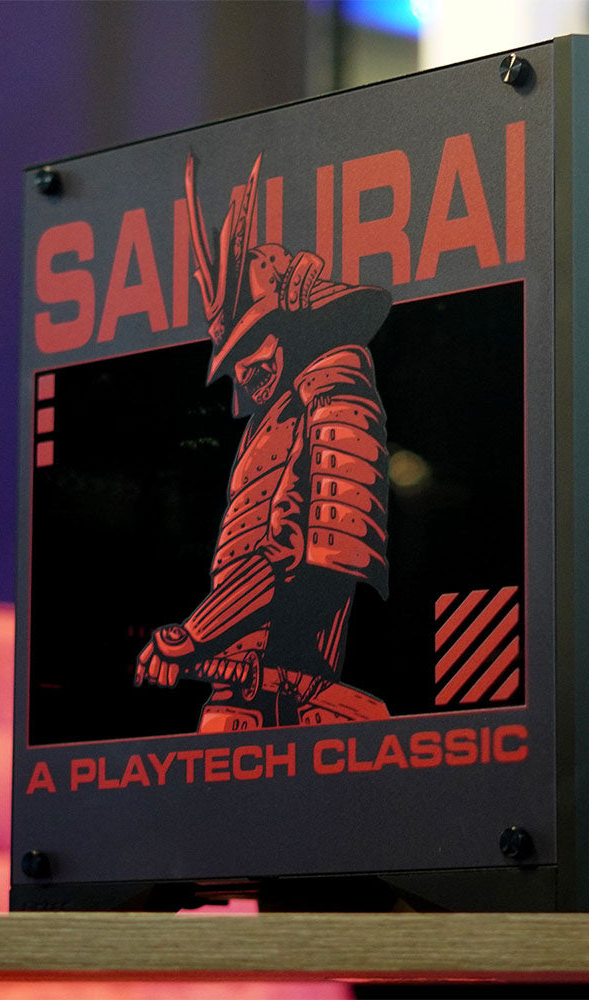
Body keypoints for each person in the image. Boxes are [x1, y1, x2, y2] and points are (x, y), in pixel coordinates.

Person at [134, 153, 391, 731]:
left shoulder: (338, 399)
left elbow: (297, 556)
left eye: (252, 346)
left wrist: (191, 635)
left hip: (292, 708)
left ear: (294, 330)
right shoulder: (271, 423)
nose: (243, 376)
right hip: (241, 696)